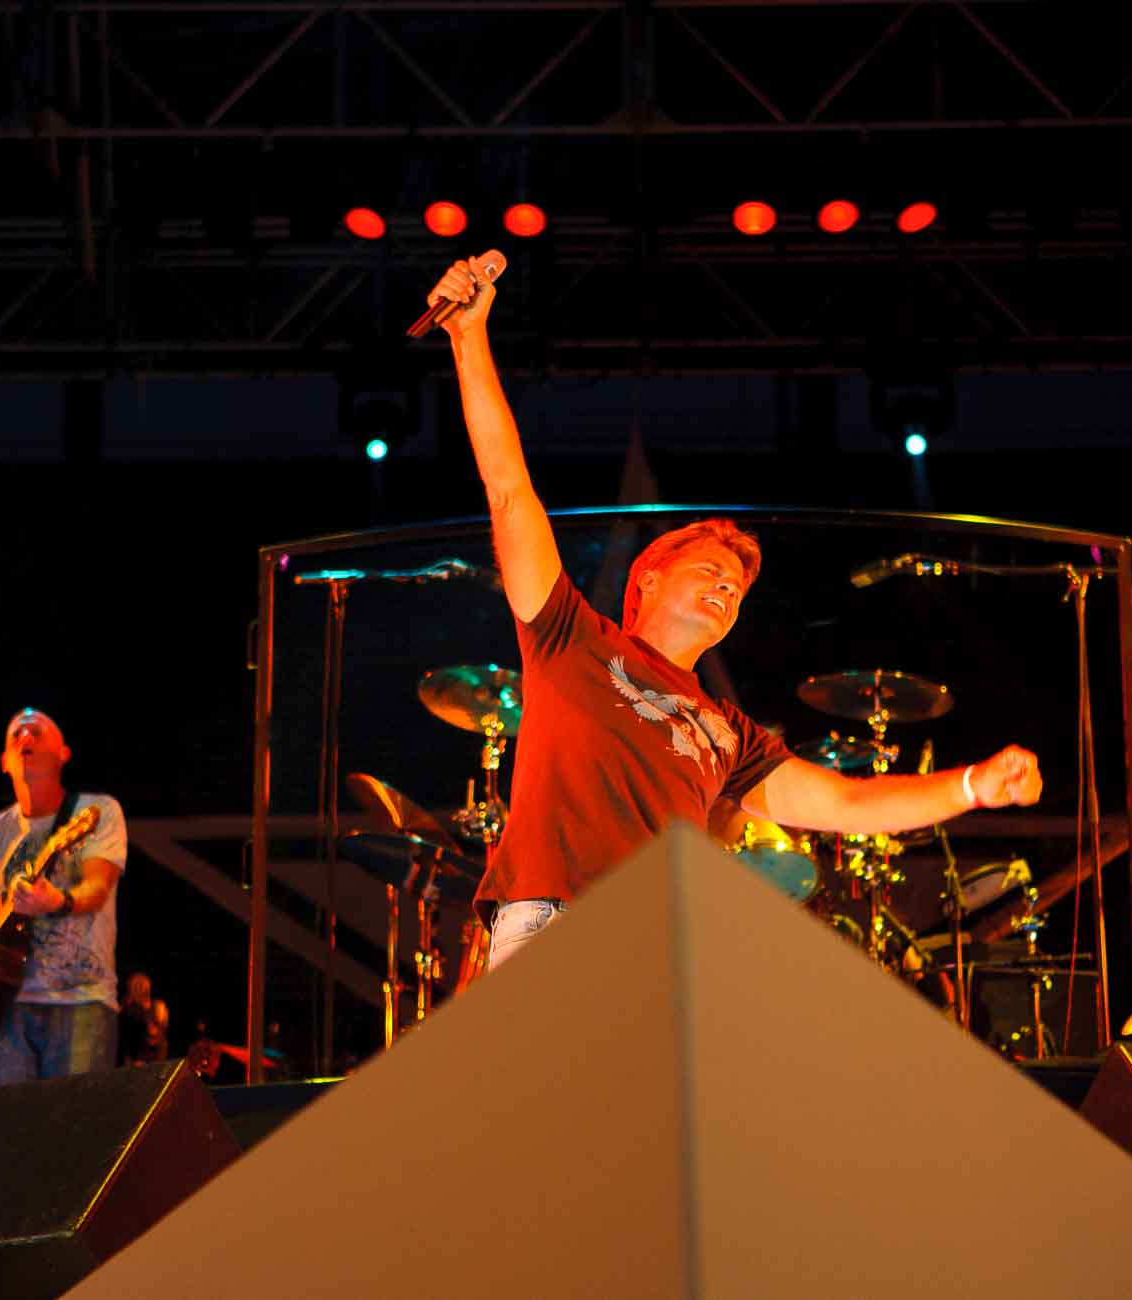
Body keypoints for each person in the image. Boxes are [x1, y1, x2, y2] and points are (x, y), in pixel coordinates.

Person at [427, 255, 1045, 971]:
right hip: (556, 921)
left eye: (739, 587)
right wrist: (469, 337)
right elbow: (509, 492)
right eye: (710, 570)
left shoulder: (727, 730)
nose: (728, 588)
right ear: (648, 578)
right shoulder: (570, 638)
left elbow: (846, 806)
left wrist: (972, 785)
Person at [0, 709, 128, 1085]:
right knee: (9, 1134)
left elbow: (98, 889)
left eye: (37, 730)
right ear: (4, 762)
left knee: (74, 1131)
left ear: (64, 753)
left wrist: (59, 901)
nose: (25, 734)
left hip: (81, 1002)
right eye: (16, 732)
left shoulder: (97, 813)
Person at [118, 972, 171, 1066]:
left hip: (154, 1056)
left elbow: (158, 1032)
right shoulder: (127, 1008)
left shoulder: (158, 1006)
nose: (141, 989)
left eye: (143, 985)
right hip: (134, 1056)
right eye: (137, 986)